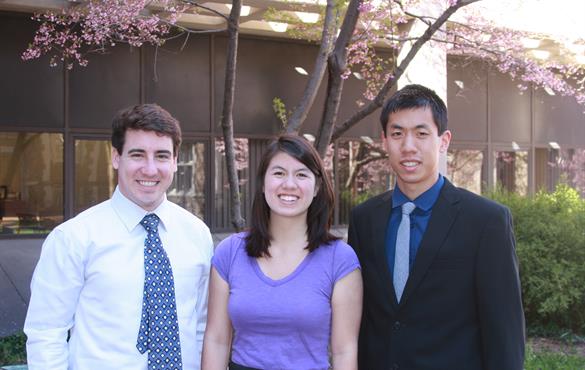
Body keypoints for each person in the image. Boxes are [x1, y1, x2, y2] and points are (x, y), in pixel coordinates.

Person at [348, 84, 525, 370]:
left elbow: (504, 332)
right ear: (384, 141)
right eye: (397, 133)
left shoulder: (486, 221)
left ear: (443, 141)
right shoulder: (364, 219)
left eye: (421, 133)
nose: (408, 146)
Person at [24, 104, 214, 370]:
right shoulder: (73, 238)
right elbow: (46, 334)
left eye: (161, 156)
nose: (150, 169)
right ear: (116, 157)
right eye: (137, 155)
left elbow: (202, 326)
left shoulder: (197, 235)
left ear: (174, 161)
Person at [202, 134, 362, 370]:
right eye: (278, 173)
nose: (289, 184)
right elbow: (216, 341)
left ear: (317, 186)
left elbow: (344, 351)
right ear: (263, 183)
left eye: (301, 174)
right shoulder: (230, 252)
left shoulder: (340, 259)